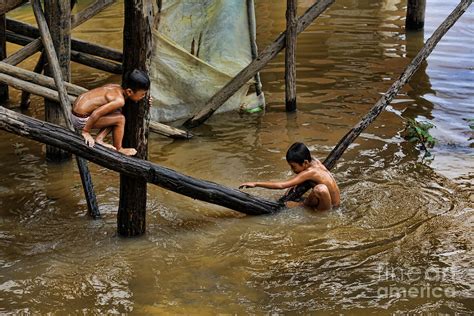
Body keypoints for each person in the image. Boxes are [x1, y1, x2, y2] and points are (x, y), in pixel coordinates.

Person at [71, 69, 151, 156]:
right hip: (80, 119)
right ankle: (119, 148)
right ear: (129, 91)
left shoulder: (114, 87)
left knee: (117, 111)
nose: (144, 96)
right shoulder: (119, 101)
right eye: (143, 94)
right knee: (120, 119)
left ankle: (99, 139)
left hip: (74, 113)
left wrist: (146, 101)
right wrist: (86, 132)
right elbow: (96, 113)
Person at [240, 142, 340, 211]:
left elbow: (282, 185)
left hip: (329, 207)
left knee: (320, 189)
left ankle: (302, 206)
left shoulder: (310, 172)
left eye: (293, 167)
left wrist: (256, 183)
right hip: (336, 204)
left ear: (305, 162)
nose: (292, 170)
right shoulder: (314, 162)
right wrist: (296, 183)